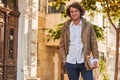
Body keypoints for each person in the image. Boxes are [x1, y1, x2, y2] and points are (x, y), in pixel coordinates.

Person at [59, 2, 99, 80]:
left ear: (80, 12)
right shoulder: (65, 27)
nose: (74, 13)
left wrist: (96, 58)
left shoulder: (88, 26)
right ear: (69, 13)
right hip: (70, 62)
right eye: (72, 12)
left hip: (85, 61)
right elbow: (62, 45)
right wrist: (64, 59)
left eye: (76, 11)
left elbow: (94, 43)